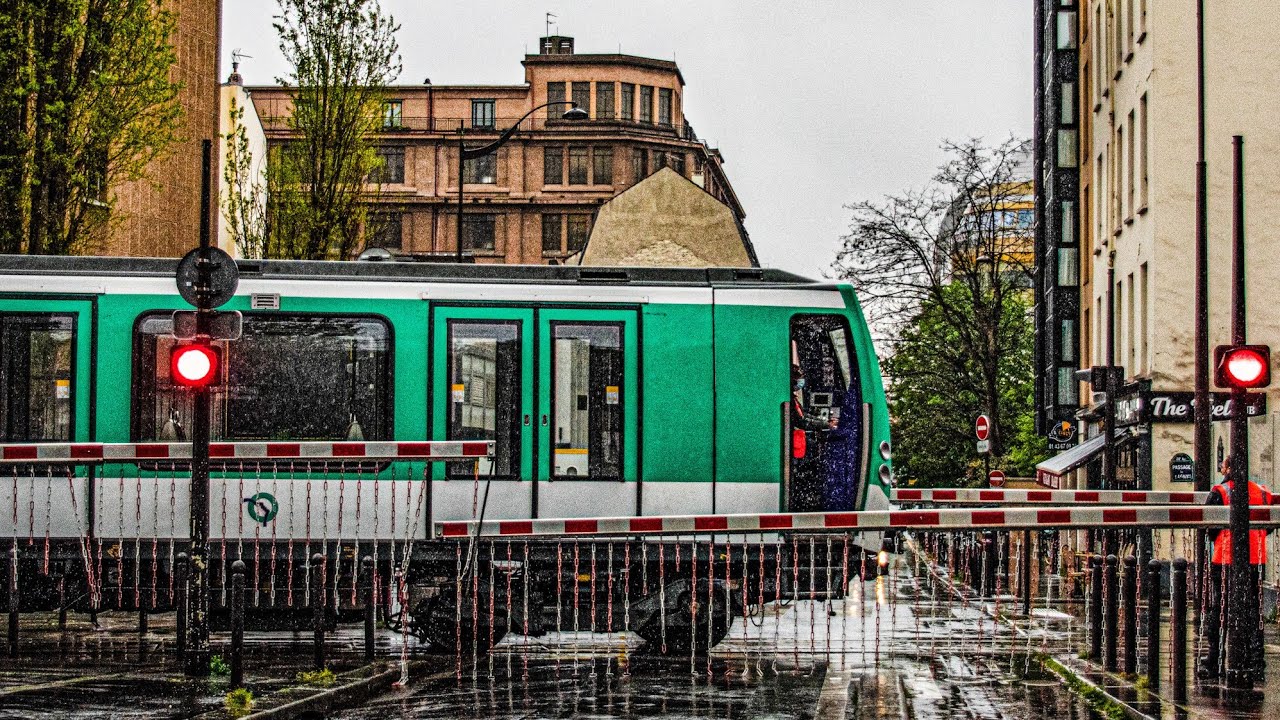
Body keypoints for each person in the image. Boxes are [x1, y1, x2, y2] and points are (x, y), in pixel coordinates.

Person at [1198, 455, 1273, 681]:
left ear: (1229, 468)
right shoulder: (1261, 492)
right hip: (1256, 558)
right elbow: (1268, 522)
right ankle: (1255, 658)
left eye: (1223, 464)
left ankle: (1216, 657)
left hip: (1226, 557)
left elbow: (1209, 524)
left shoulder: (1220, 492)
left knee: (1220, 609)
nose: (1221, 467)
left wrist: (1220, 538)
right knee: (1252, 609)